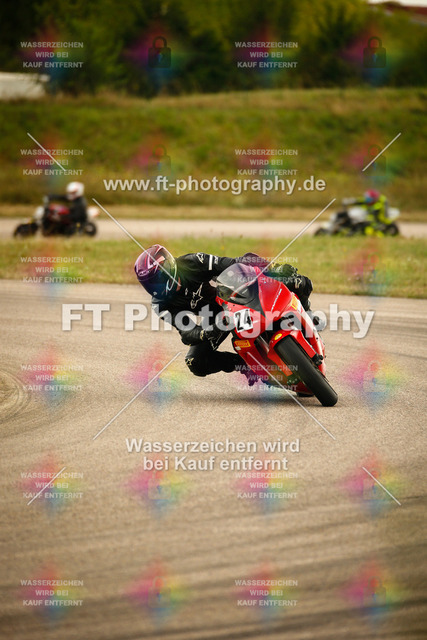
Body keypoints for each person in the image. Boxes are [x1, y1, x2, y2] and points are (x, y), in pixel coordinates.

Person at [134, 245, 319, 385]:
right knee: (195, 362)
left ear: (168, 267)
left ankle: (306, 314)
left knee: (298, 281)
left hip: (232, 296)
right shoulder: (160, 304)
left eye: (157, 280)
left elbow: (233, 263)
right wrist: (207, 332)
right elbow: (186, 332)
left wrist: (272, 270)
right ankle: (249, 367)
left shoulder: (192, 262)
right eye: (149, 284)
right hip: (216, 319)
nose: (155, 288)